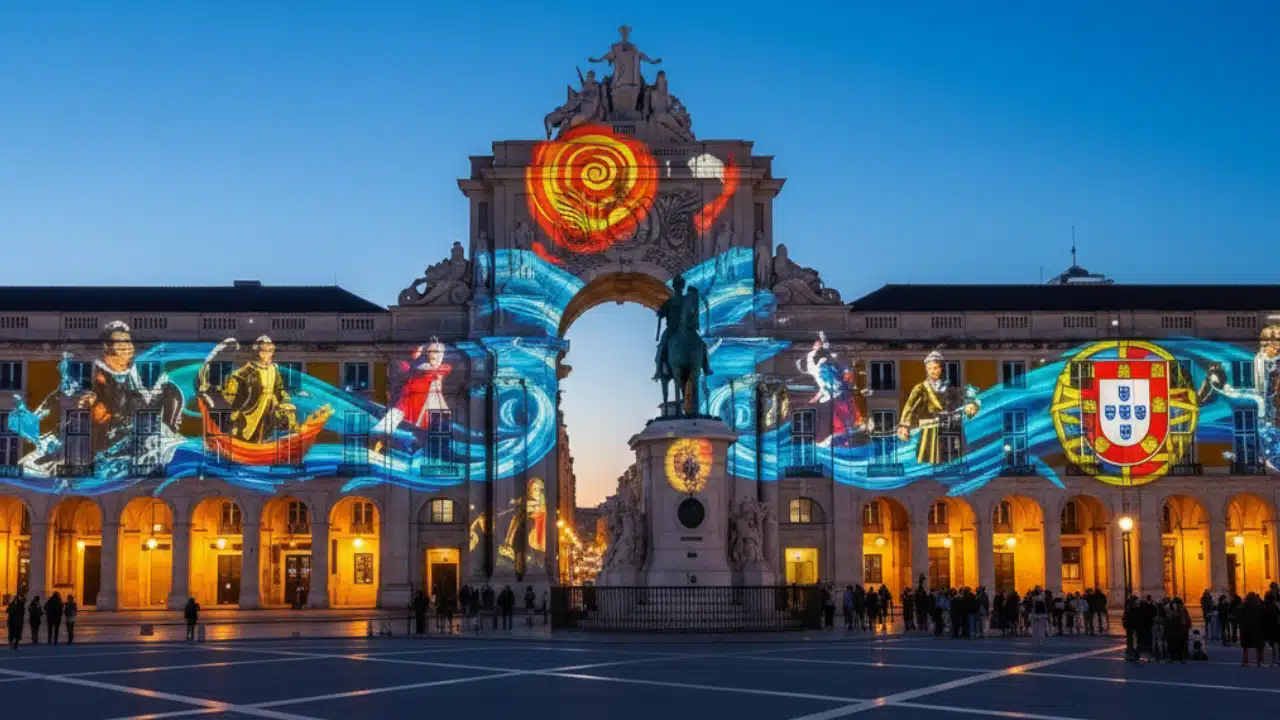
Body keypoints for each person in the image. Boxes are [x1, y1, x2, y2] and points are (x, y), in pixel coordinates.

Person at [1240, 592, 1265, 667]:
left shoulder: (1245, 605)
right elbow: (1262, 617)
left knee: (1245, 646)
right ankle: (1259, 662)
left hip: (1247, 628)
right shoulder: (1259, 606)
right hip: (1257, 628)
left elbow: (1242, 617)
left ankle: (1246, 662)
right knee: (1258, 645)